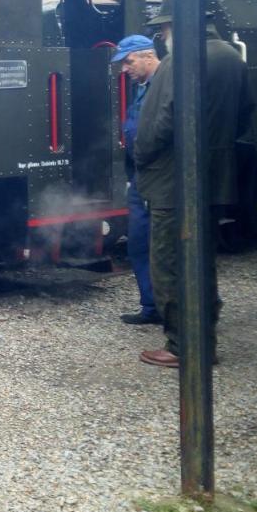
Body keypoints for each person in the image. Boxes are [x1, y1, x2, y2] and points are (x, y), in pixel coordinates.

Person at [133, 0, 254, 368]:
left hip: (174, 182)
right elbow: (245, 114)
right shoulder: (232, 58)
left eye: (163, 28)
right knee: (203, 262)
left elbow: (158, 125)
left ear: (175, 26)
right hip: (215, 178)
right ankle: (206, 337)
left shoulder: (176, 63)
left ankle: (182, 344)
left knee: (169, 263)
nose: (161, 36)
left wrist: (139, 156)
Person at [110, 34, 161, 325]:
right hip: (140, 177)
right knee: (139, 244)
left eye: (128, 62)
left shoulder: (164, 85)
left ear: (147, 56)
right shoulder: (142, 87)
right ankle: (151, 305)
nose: (124, 69)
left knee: (161, 246)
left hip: (158, 178)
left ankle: (169, 309)